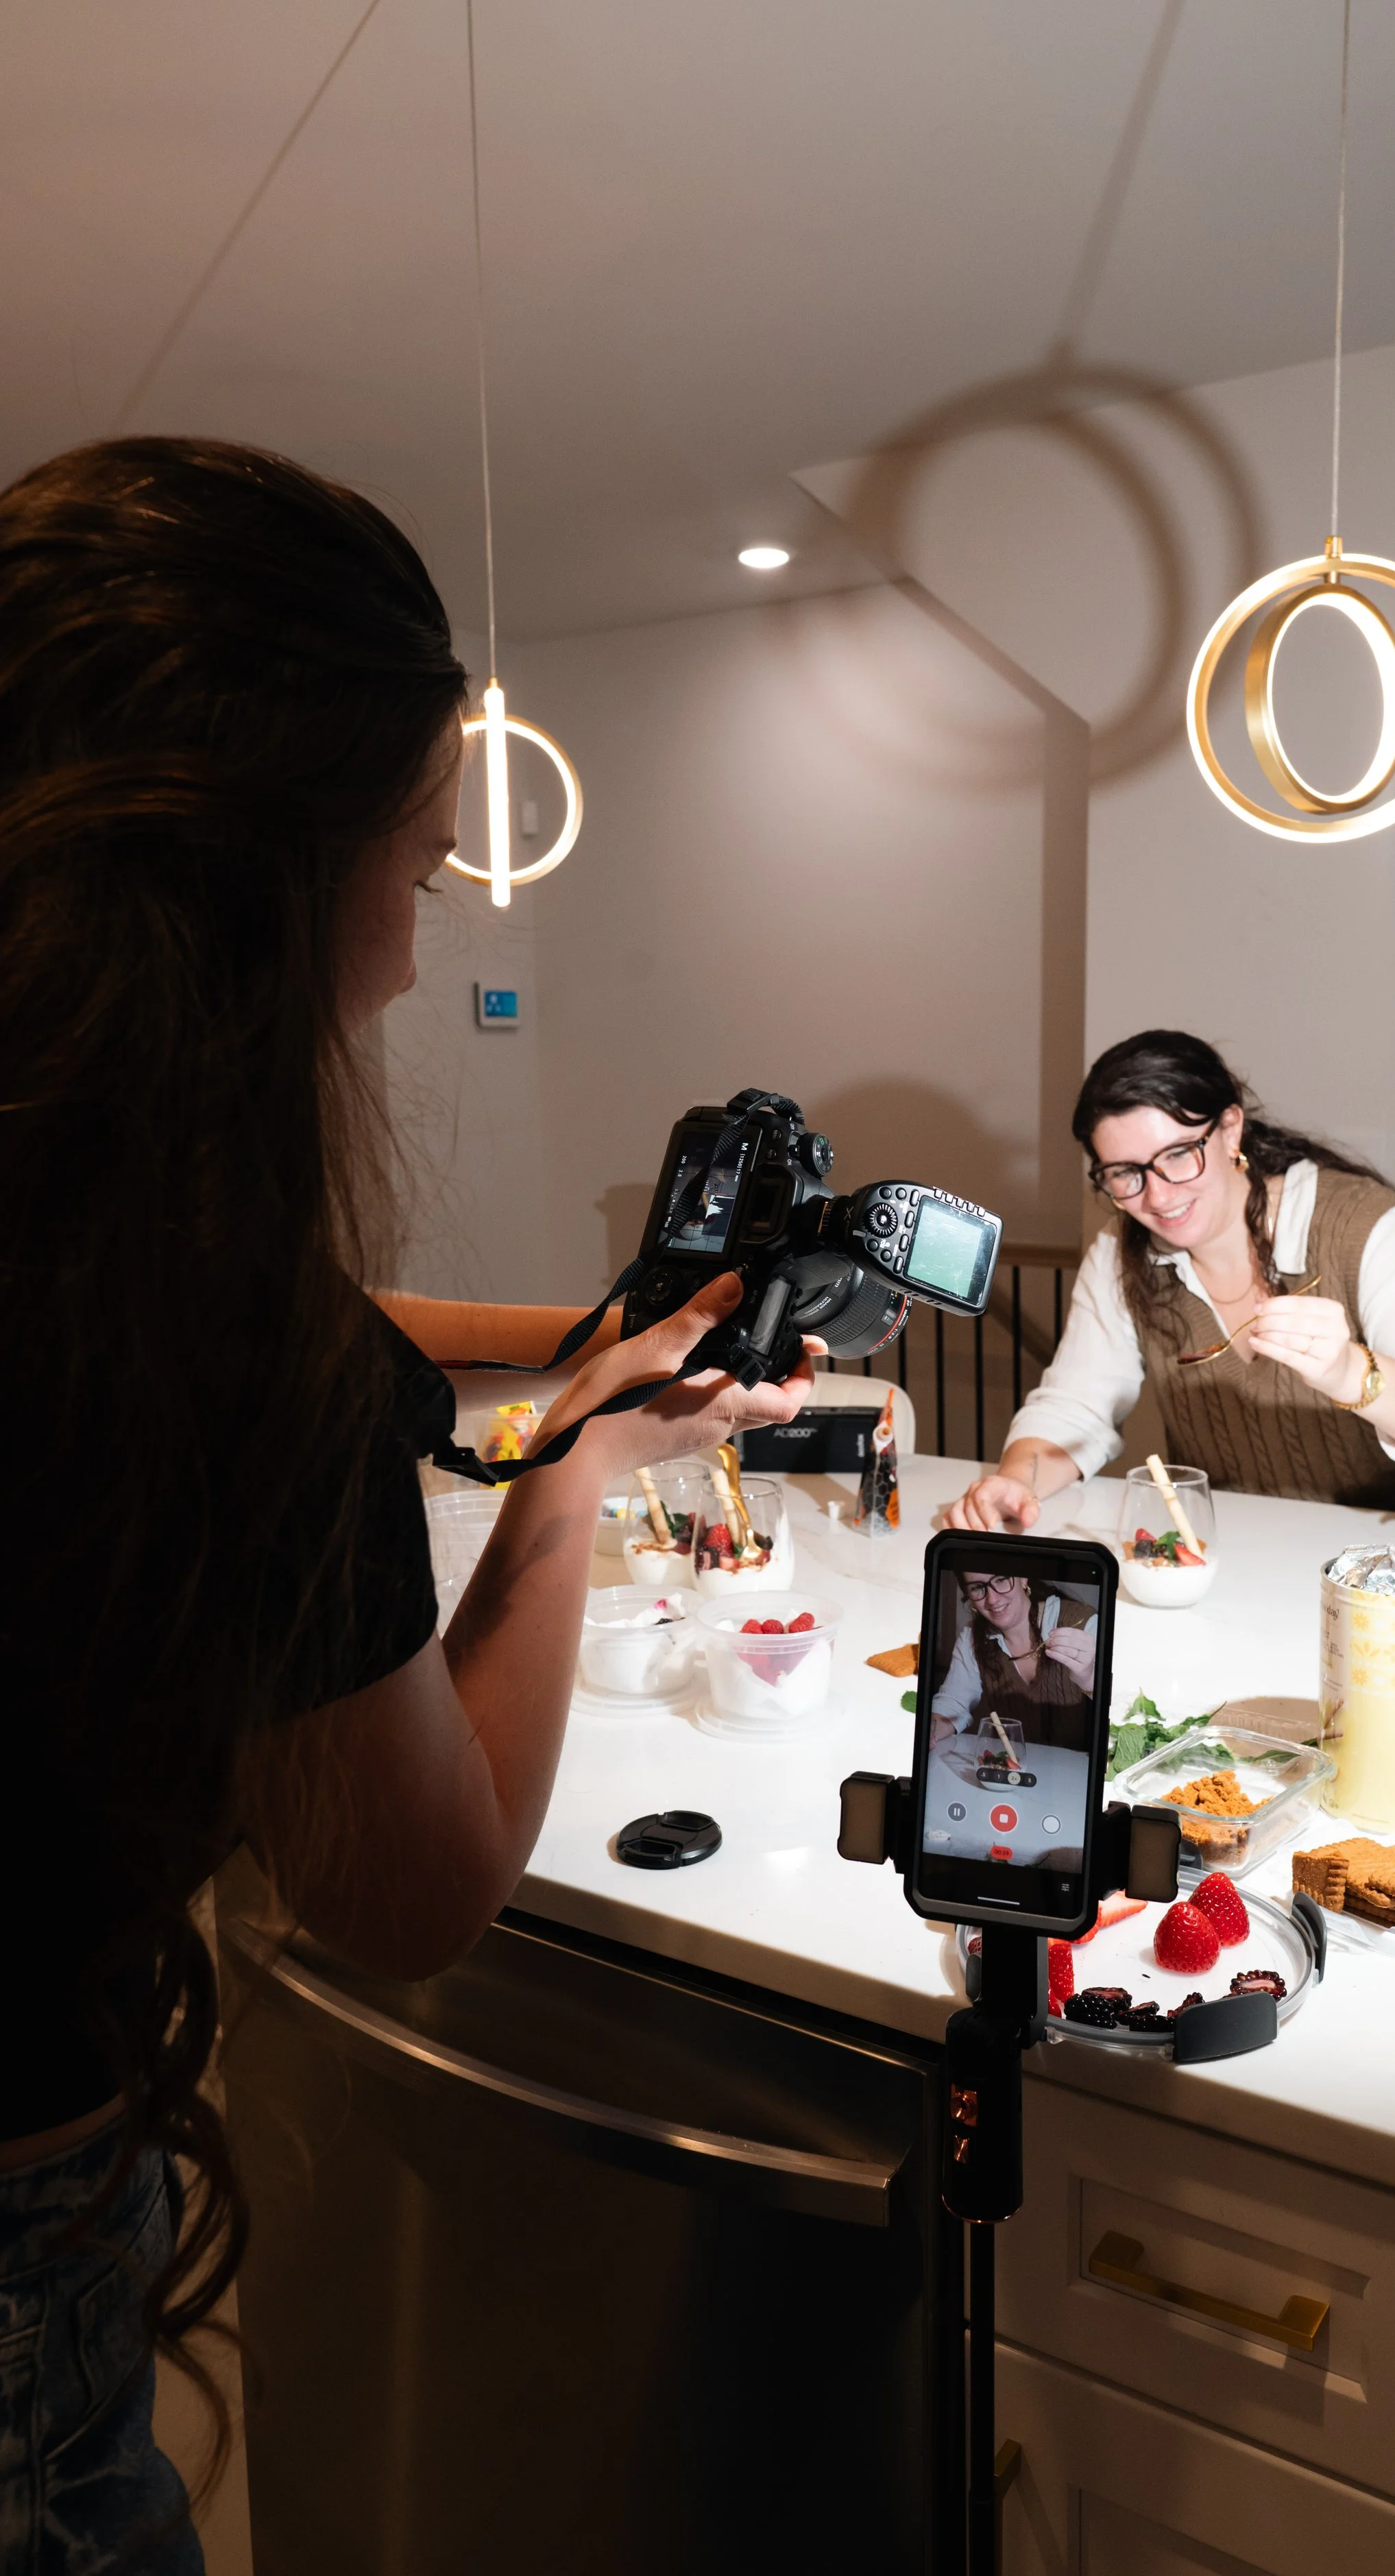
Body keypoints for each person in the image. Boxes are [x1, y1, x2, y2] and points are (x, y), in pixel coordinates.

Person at [0, 438, 815, 2573]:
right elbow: (408, 1887)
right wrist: (573, 1477)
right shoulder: (220, 1344)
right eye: (423, 867)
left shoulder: (84, 1212)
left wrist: (584, 1336)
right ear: (264, 874)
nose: (403, 957)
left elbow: (300, 1318)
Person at [951, 1030, 1395, 1532]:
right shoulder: (1121, 1253)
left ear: (1229, 1130)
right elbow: (1076, 1408)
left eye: (1178, 1154)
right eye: (1125, 1172)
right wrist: (1016, 1481)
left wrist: (1350, 1371)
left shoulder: (1358, 1226)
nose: (1159, 1195)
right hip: (1266, 1557)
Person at [930, 1572, 1098, 1752]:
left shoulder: (1082, 1622)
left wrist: (1090, 1679)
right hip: (1012, 1765)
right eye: (977, 1588)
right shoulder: (972, 1638)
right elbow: (953, 1704)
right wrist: (930, 1732)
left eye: (1001, 1580)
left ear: (1023, 1579)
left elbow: (1116, 1709)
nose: (992, 1600)